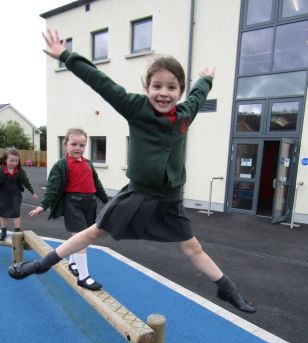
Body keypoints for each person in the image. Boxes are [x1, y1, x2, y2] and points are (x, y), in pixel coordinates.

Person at [8, 29, 256, 313]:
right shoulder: (136, 108)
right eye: (157, 86)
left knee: (193, 248)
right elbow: (101, 82)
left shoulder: (185, 114)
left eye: (172, 87)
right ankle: (42, 264)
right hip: (138, 194)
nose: (164, 93)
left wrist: (207, 79)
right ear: (147, 87)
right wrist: (66, 56)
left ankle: (228, 290)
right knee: (93, 233)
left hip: (170, 199)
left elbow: (199, 94)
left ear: (180, 91)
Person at [28, 128, 109, 291]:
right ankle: (83, 277)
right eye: (74, 144)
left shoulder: (88, 163)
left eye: (82, 145)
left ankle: (73, 262)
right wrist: (43, 205)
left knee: (85, 237)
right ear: (66, 144)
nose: (78, 148)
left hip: (90, 204)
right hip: (73, 204)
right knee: (81, 239)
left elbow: (97, 184)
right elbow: (52, 187)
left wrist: (106, 201)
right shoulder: (61, 165)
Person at [0, 147, 39, 240]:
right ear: (5, 160)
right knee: (2, 213)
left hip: (15, 195)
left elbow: (26, 182)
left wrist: (32, 192)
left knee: (16, 213)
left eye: (16, 161)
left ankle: (17, 233)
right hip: (2, 195)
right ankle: (3, 232)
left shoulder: (20, 171)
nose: (14, 163)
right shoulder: (1, 170)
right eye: (11, 160)